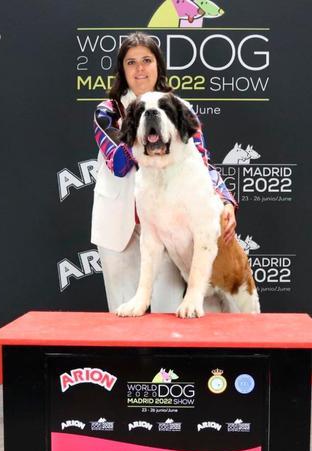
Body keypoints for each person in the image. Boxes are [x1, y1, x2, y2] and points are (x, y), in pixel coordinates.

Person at [91, 32, 237, 313]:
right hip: (118, 227)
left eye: (147, 60)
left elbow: (201, 161)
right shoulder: (107, 111)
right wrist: (139, 122)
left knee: (165, 314)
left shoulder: (180, 109)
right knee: (124, 317)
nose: (140, 68)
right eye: (131, 62)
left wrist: (225, 198)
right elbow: (120, 164)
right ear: (123, 70)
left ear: (158, 65)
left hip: (168, 226)